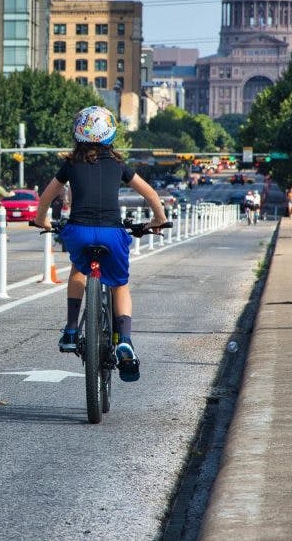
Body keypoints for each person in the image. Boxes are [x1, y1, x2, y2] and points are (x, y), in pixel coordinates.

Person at [33, 105, 169, 382]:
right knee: (119, 284)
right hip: (111, 233)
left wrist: (41, 220)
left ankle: (71, 330)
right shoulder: (119, 165)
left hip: (79, 231)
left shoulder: (70, 165)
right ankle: (125, 340)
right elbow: (150, 193)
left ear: (78, 133)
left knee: (78, 269)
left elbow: (47, 196)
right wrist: (158, 219)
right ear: (110, 134)